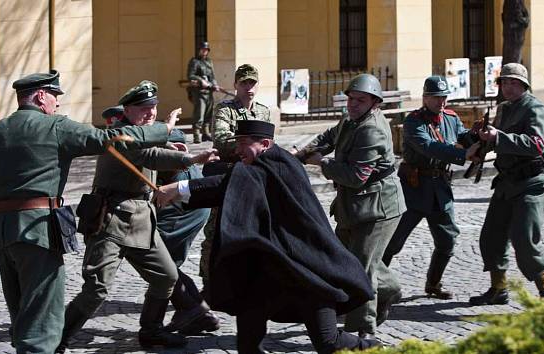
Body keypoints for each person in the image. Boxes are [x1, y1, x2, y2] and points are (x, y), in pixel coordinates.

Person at [0, 70, 179, 354]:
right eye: (55, 97)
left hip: (0, 233)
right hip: (38, 230)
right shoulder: (55, 126)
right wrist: (162, 129)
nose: (57, 104)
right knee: (42, 318)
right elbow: (112, 138)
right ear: (41, 96)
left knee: (21, 311)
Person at [155, 120, 380, 354]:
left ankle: (375, 349)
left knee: (329, 343)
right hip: (269, 275)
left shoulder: (276, 165)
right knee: (248, 343)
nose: (237, 149)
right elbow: (232, 182)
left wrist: (177, 189)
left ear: (264, 144)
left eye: (243, 143)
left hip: (308, 275)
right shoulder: (262, 164)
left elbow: (227, 184)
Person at [57, 80, 219, 352]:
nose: (150, 113)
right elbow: (150, 155)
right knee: (96, 289)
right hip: (111, 222)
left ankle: (152, 330)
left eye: (153, 107)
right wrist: (191, 160)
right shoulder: (120, 135)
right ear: (127, 110)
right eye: (143, 109)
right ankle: (56, 337)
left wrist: (175, 148)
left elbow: (155, 151)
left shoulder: (143, 133)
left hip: (143, 222)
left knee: (166, 276)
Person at [296, 74, 406, 339]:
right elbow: (331, 135)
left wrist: (320, 162)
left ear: (374, 103)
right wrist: (302, 152)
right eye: (351, 99)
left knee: (361, 269)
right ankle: (390, 290)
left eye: (361, 100)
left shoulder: (372, 129)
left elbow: (356, 176)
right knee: (346, 258)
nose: (353, 104)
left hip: (378, 208)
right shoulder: (350, 119)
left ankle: (362, 330)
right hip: (354, 205)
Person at [383, 76, 480, 300]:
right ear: (425, 97)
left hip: (440, 190)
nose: (441, 102)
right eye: (436, 97)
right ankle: (376, 285)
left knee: (447, 240)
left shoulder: (450, 117)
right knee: (393, 242)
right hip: (414, 189)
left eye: (444, 97)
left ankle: (433, 284)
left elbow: (462, 135)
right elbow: (429, 146)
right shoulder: (413, 122)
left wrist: (476, 137)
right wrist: (462, 154)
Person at [469, 63, 544, 306]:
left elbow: (539, 145)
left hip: (531, 182)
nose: (507, 87)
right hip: (507, 182)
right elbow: (497, 142)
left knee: (524, 238)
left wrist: (499, 137)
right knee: (491, 237)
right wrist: (482, 139)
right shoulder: (504, 109)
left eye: (513, 82)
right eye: (504, 82)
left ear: (524, 85)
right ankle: (498, 289)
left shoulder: (535, 108)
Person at [199, 63, 271, 286]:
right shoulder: (225, 109)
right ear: (236, 85)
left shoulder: (263, 111)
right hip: (230, 176)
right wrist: (250, 145)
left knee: (254, 229)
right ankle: (209, 282)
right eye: (244, 83)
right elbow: (221, 140)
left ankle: (246, 280)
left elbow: (269, 144)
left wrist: (255, 148)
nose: (248, 87)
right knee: (215, 230)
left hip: (255, 177)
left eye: (252, 82)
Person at [155, 128, 220, 335]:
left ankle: (191, 311)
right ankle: (199, 313)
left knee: (158, 261)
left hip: (185, 211)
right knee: (164, 263)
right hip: (189, 207)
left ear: (180, 148)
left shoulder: (175, 162)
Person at [188, 41, 220, 143]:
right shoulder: (194, 61)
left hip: (209, 92)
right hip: (199, 92)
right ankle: (196, 135)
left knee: (208, 114)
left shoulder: (209, 62)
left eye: (206, 50)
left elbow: (212, 76)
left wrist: (215, 84)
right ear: (199, 50)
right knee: (199, 114)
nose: (204, 52)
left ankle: (206, 134)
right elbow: (191, 75)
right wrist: (201, 81)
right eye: (203, 50)